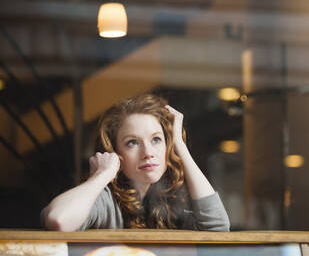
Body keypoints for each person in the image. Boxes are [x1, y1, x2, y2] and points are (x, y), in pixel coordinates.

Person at [41, 94, 230, 231]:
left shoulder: (169, 201)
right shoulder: (105, 200)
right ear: (115, 152)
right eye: (132, 142)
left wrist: (179, 145)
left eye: (156, 139)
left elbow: (218, 227)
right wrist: (101, 176)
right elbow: (59, 220)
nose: (147, 153)